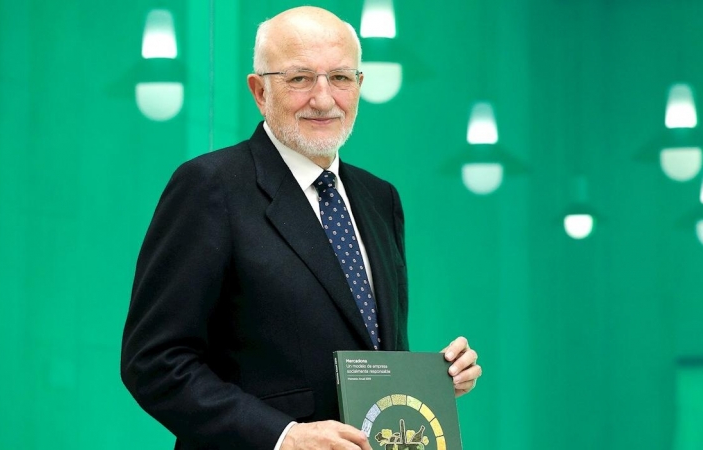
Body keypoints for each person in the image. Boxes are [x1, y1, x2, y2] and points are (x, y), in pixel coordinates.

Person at [121, 6, 481, 450]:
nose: (324, 98)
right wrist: (283, 436)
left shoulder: (379, 198)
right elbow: (154, 361)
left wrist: (433, 380)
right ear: (259, 91)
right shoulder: (211, 186)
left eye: (342, 78)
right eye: (299, 78)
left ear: (360, 86)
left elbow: (368, 358)